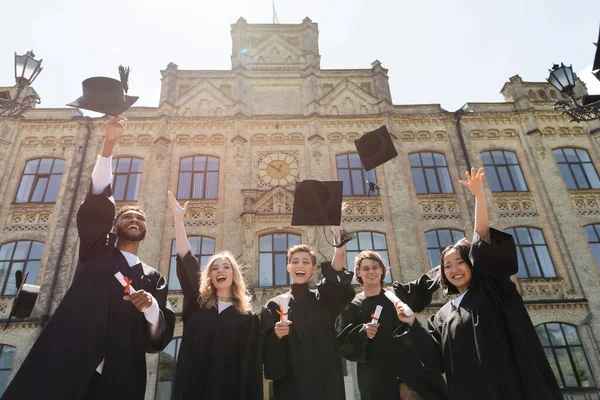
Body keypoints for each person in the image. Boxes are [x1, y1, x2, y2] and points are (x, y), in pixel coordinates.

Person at [2, 117, 175, 400]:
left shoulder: (154, 278)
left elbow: (157, 337)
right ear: (114, 224)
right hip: (73, 358)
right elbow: (98, 198)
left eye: (139, 218)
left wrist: (151, 309)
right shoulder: (97, 251)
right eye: (126, 216)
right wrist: (109, 144)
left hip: (121, 370)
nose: (134, 219)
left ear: (145, 229)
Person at [396, 168, 563, 400]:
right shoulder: (442, 317)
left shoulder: (492, 289)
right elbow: (435, 361)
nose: (454, 269)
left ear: (473, 264)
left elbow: (482, 239)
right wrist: (412, 323)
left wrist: (479, 198)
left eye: (460, 262)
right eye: (447, 266)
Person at [168, 191, 270, 400]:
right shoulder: (197, 305)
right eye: (215, 268)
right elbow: (187, 260)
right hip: (194, 390)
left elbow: (251, 367)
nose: (220, 271)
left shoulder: (247, 319)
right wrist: (179, 220)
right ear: (210, 276)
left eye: (226, 267)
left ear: (234, 275)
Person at [336, 250, 449, 400]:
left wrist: (448, 263)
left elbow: (424, 283)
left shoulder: (396, 295)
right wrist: (362, 333)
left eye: (375, 267)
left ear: (382, 270)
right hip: (379, 381)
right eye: (366, 268)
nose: (371, 271)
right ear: (358, 273)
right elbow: (343, 343)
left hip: (414, 375)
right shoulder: (352, 306)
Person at [263, 226, 355, 400]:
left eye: (306, 262)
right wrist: (276, 336)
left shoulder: (324, 299)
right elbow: (266, 350)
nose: (300, 265)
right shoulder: (274, 305)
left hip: (326, 384)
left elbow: (337, 267)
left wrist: (338, 237)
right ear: (288, 267)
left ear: (313, 269)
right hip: (291, 385)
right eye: (295, 261)